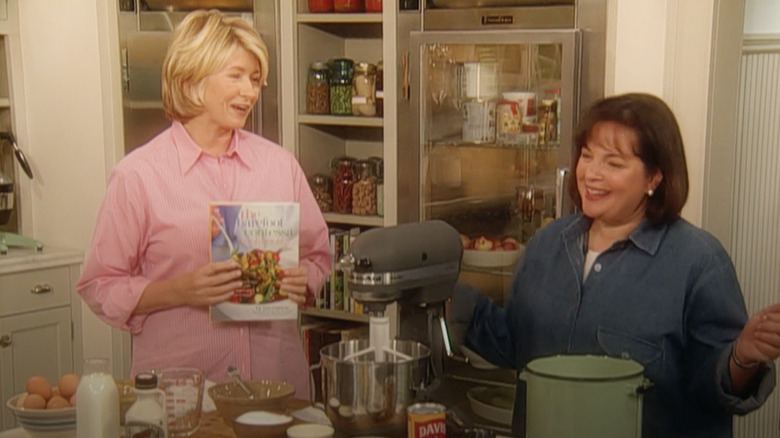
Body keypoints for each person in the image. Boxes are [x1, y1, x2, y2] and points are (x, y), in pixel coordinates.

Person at [450, 93, 780, 437]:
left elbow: (714, 390)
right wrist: (446, 297)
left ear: (654, 177)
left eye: (613, 163)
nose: (591, 173)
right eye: (587, 156)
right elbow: (516, 344)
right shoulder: (548, 244)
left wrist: (741, 357)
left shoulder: (698, 262)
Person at [77, 10, 330, 398]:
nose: (250, 91)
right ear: (192, 78)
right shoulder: (139, 176)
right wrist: (180, 291)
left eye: (256, 79)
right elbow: (100, 285)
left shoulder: (280, 166)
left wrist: (304, 281)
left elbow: (317, 257)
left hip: (278, 388)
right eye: (236, 76)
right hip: (182, 397)